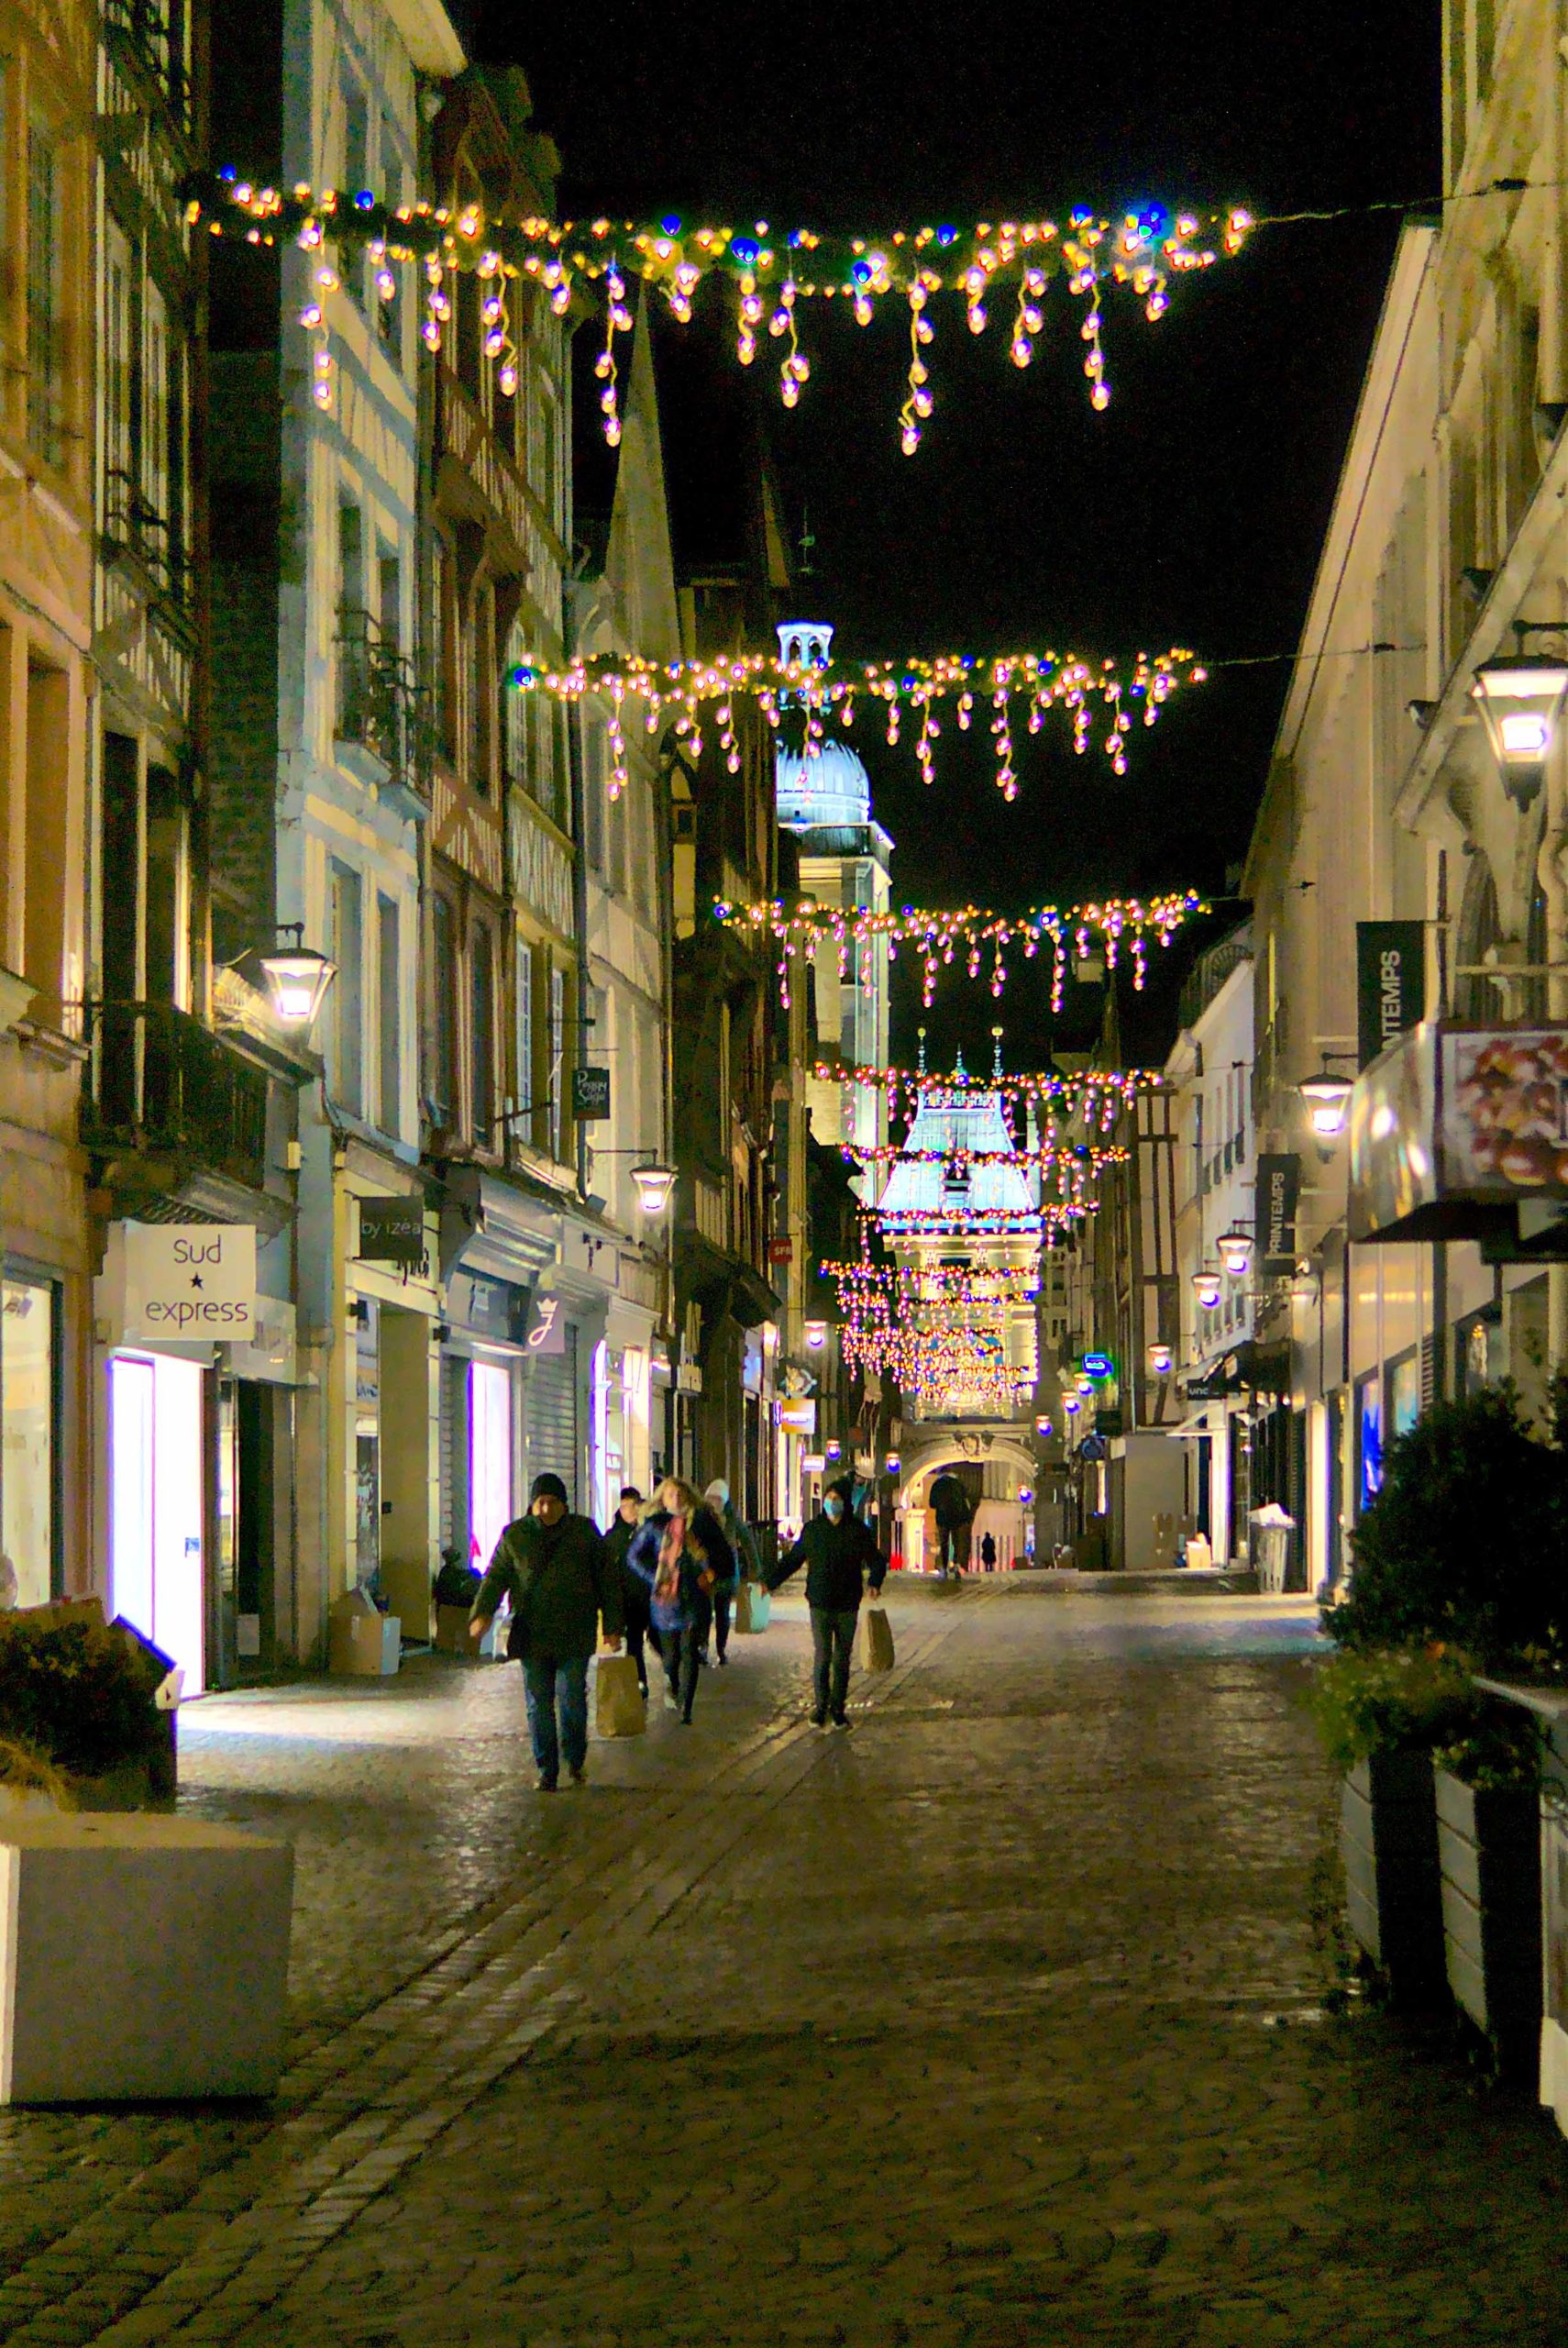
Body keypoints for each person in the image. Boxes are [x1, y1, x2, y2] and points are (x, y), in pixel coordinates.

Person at [469, 1473, 623, 1791]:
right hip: (532, 1633)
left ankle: (575, 1759)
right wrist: (481, 1614)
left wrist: (612, 1626)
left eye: (553, 1502)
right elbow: (496, 1576)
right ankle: (547, 1769)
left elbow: (607, 1580)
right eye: (540, 1502)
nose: (546, 1508)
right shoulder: (515, 1536)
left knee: (571, 1699)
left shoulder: (584, 1533)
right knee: (538, 1703)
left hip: (574, 1632)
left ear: (564, 1505)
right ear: (532, 1503)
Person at [770, 1476, 886, 1731]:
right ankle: (821, 1708)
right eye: (829, 1497)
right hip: (820, 1603)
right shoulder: (813, 1530)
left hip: (847, 1603)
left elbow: (877, 1560)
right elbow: (793, 1560)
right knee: (823, 1656)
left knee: (842, 1658)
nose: (832, 1502)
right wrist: (770, 1583)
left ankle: (838, 1709)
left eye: (837, 1498)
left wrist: (875, 1582)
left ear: (845, 1502)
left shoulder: (857, 1531)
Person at [627, 1478, 731, 1723]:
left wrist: (711, 1574)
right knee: (671, 1656)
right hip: (665, 1600)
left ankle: (687, 1706)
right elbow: (634, 1557)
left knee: (690, 1652)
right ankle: (672, 1682)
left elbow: (721, 1553)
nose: (676, 1499)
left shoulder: (701, 1523)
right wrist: (656, 1576)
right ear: (662, 1498)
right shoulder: (654, 1526)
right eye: (671, 1494)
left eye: (680, 1494)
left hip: (694, 1597)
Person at [701, 1478, 761, 1665]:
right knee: (704, 1613)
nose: (714, 1503)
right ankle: (702, 1647)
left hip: (726, 1573)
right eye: (711, 1498)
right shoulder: (701, 1517)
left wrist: (755, 1567)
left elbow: (748, 1541)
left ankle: (721, 1649)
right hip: (706, 1572)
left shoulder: (732, 1519)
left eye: (718, 1499)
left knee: (722, 1612)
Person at [604, 1485, 652, 1696]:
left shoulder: (648, 1531)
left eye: (630, 1505)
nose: (626, 1510)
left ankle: (670, 1675)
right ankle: (638, 1683)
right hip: (627, 1599)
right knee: (634, 1643)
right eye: (622, 1506)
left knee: (657, 1641)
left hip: (649, 1597)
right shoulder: (613, 1536)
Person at [928, 1470, 974, 1579]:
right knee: (956, 1541)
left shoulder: (937, 1484)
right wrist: (966, 1516)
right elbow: (965, 1501)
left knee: (944, 1543)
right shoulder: (958, 1484)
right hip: (957, 1518)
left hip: (942, 1518)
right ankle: (956, 1564)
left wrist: (941, 1506)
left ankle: (944, 1567)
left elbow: (932, 1503)